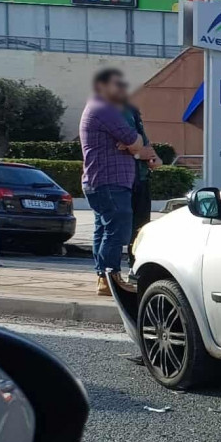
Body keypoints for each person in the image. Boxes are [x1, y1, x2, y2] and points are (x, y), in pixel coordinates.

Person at [79, 68, 156, 296]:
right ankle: (109, 277)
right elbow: (134, 139)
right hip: (109, 181)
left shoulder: (99, 108)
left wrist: (133, 146)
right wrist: (134, 146)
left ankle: (104, 277)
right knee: (116, 230)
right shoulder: (104, 108)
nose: (123, 90)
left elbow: (135, 144)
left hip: (101, 180)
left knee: (103, 229)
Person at [122, 100, 161, 269]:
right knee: (121, 227)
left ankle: (136, 265)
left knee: (141, 227)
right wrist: (139, 154)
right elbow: (124, 145)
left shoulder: (133, 112)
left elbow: (144, 144)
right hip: (126, 179)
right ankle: (110, 271)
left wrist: (153, 157)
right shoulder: (112, 112)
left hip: (142, 178)